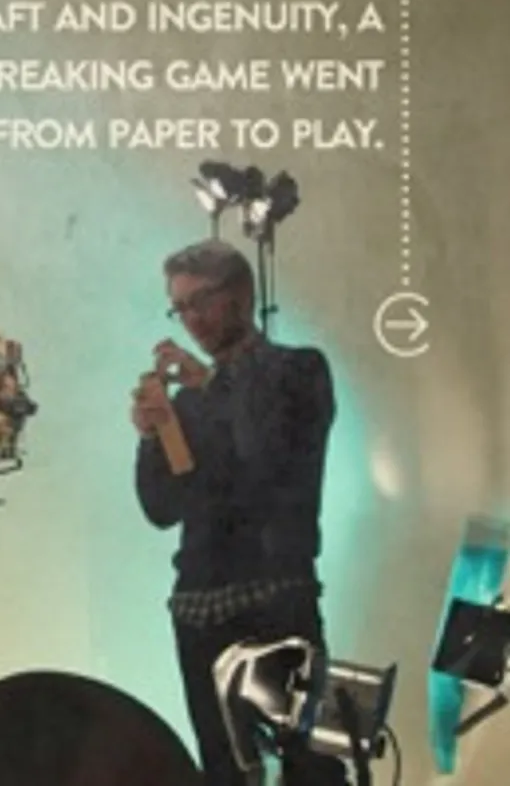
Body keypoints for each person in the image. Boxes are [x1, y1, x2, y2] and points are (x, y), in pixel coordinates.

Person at [130, 239, 346, 786]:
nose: (192, 319)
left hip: (276, 599)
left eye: (201, 301)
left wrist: (209, 386)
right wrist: (153, 435)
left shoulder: (300, 371)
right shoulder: (193, 400)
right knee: (224, 771)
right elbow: (162, 508)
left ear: (242, 294)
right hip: (198, 609)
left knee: (309, 767)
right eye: (180, 307)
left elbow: (265, 461)